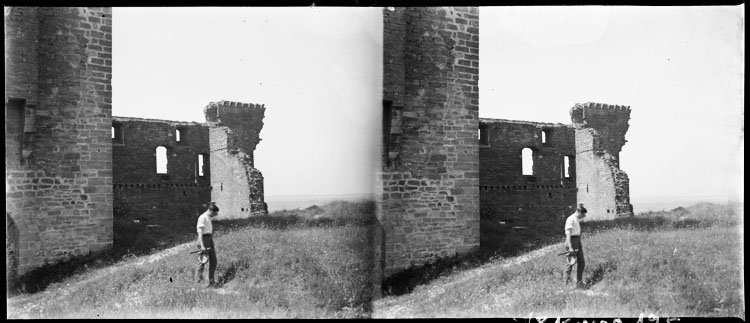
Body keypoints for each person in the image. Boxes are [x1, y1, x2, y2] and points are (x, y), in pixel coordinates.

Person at [195, 203, 219, 287]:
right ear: (210, 211)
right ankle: (197, 283)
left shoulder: (209, 217)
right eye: (214, 213)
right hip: (203, 239)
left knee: (213, 260)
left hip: (209, 239)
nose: (214, 215)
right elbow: (200, 232)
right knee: (202, 261)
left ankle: (211, 281)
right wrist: (202, 245)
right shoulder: (202, 217)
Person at [563, 204, 587, 288]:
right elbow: (568, 234)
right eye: (583, 215)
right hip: (572, 241)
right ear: (579, 212)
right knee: (570, 263)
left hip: (577, 241)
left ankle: (579, 282)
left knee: (581, 262)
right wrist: (570, 247)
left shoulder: (576, 219)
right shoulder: (570, 219)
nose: (583, 217)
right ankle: (565, 285)